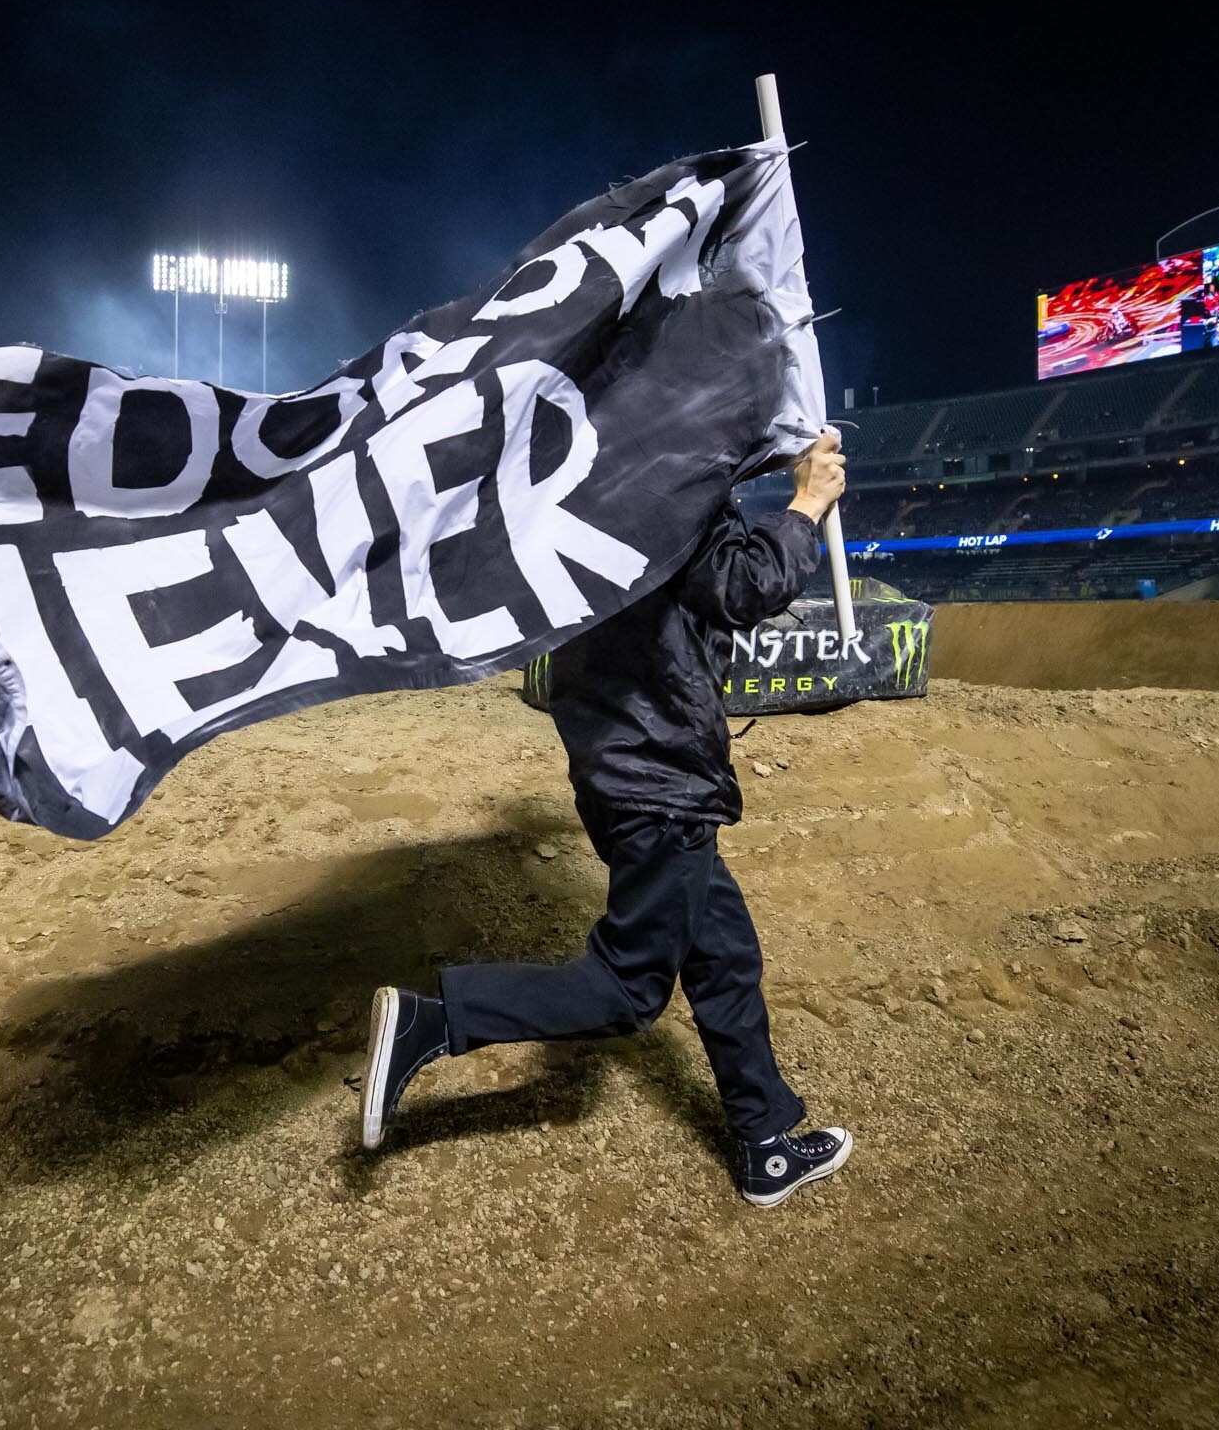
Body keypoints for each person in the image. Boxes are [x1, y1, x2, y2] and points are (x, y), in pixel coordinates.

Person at [357, 432, 853, 1207]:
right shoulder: (672, 482)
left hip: (620, 767)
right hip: (661, 777)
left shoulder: (595, 483)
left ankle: (765, 1144)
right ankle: (437, 1019)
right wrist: (807, 504)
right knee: (627, 988)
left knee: (723, 956)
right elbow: (741, 588)